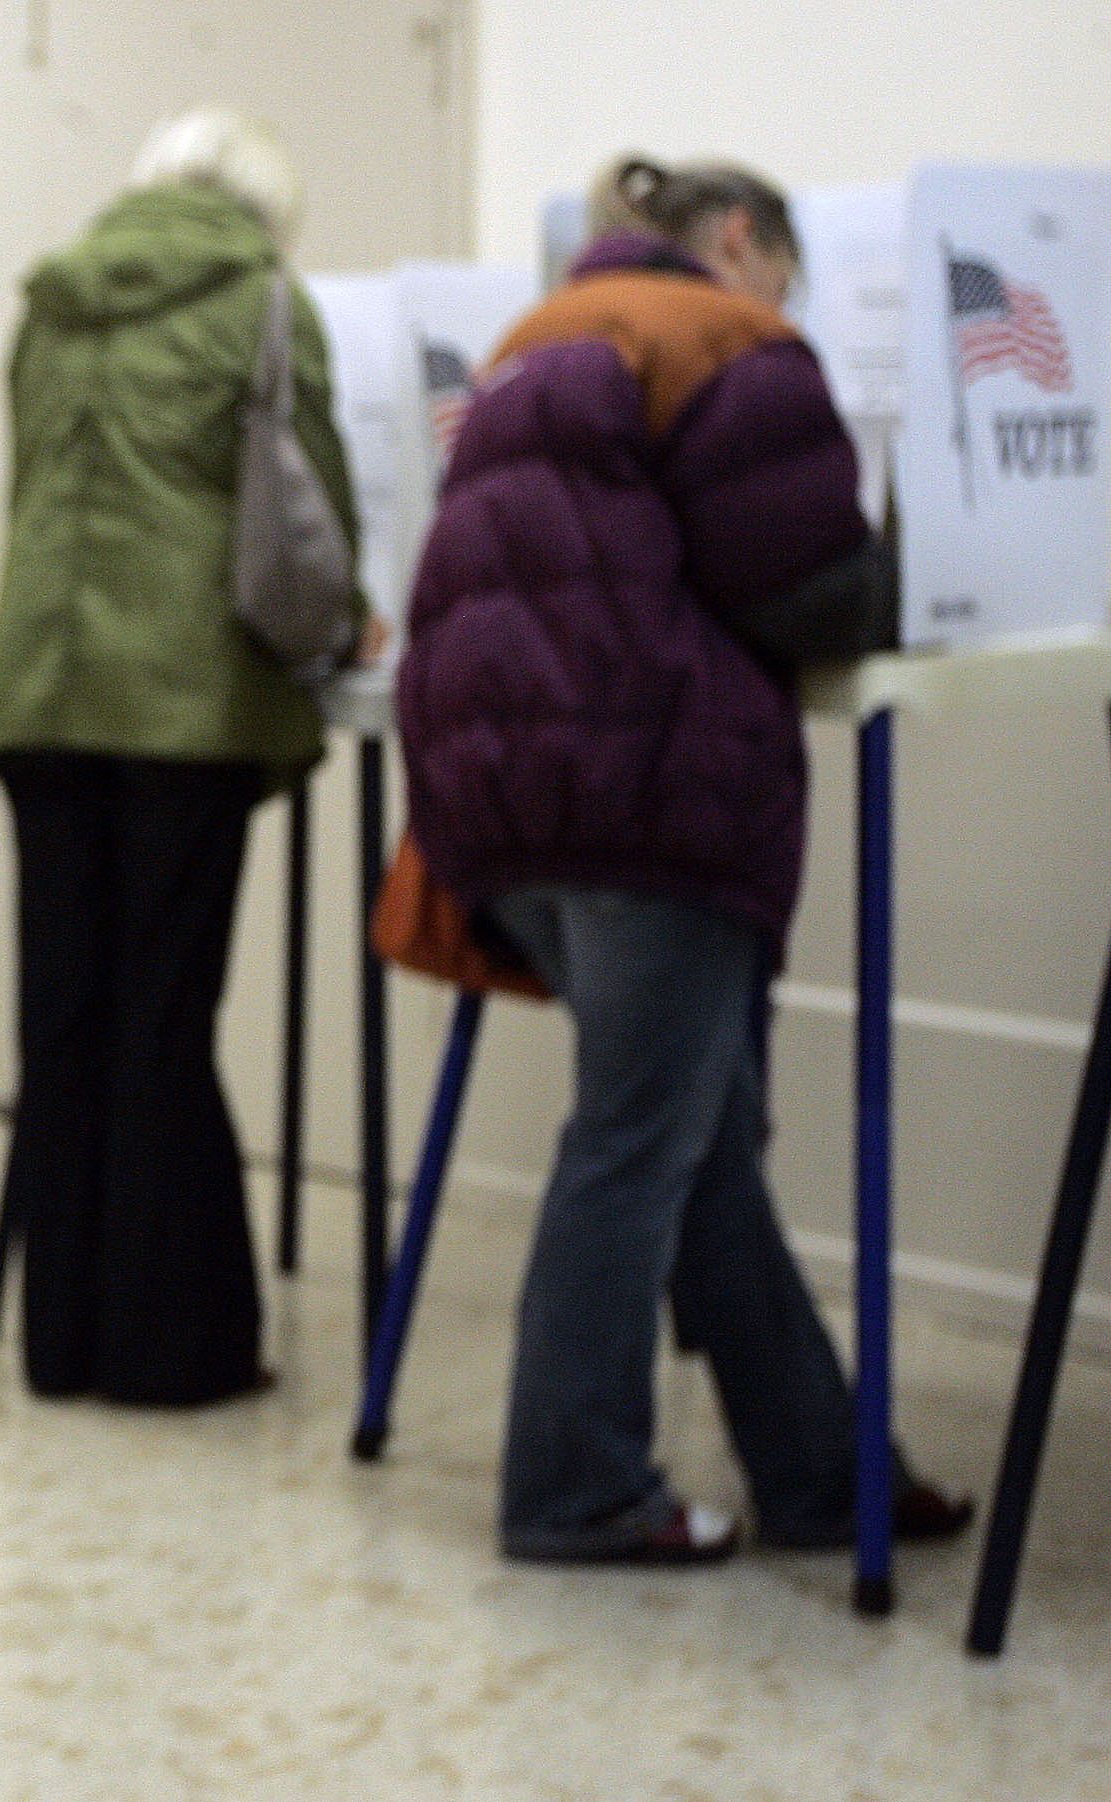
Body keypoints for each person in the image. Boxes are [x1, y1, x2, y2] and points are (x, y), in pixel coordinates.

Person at [396, 156, 969, 1561]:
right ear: (737, 237)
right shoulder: (724, 339)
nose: (794, 302)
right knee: (642, 1138)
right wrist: (945, 554)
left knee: (694, 1139)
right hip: (645, 795)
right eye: (789, 269)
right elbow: (815, 586)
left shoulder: (533, 345)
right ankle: (573, 1485)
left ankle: (827, 1472)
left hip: (504, 806)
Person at [0, 111, 371, 1407]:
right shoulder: (260, 303)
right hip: (181, 710)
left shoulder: (53, 298)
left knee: (64, 1020)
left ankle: (62, 1339)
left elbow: (34, 488)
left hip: (41, 686)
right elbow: (314, 509)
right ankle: (167, 1350)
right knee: (163, 1021)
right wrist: (350, 619)